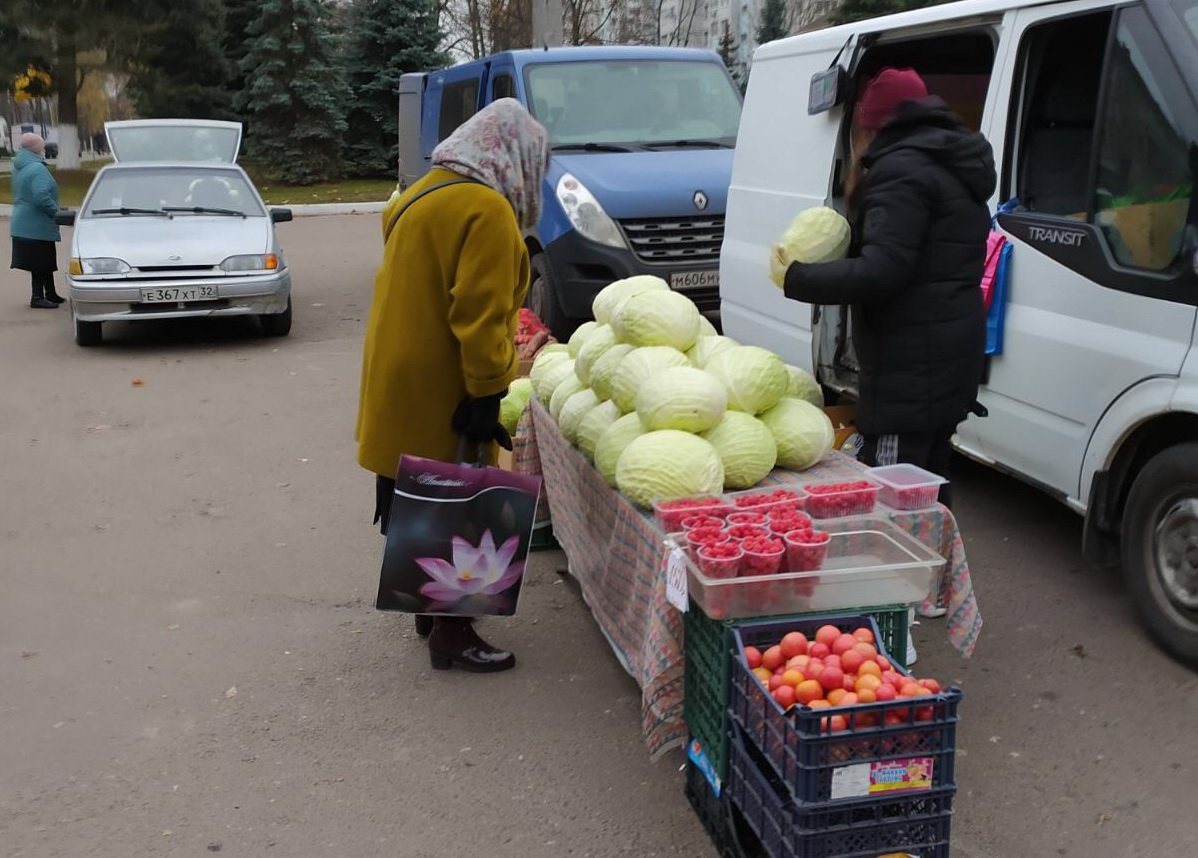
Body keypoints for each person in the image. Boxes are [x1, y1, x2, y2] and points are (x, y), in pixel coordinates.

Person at [356, 99, 550, 674]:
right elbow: (481, 313)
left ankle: (429, 607)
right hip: (446, 378)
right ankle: (453, 633)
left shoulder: (423, 191)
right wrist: (489, 388)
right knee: (461, 493)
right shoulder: (484, 209)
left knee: (418, 487)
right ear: (512, 157)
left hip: (399, 373)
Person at [772, 68, 996, 509]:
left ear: (870, 125)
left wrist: (797, 276)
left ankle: (907, 577)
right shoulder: (951, 163)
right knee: (930, 490)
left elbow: (883, 271)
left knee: (894, 501)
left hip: (910, 368)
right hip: (948, 358)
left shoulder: (901, 171)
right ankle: (939, 576)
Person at [9, 133, 63, 309]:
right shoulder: (37, 168)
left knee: (44, 260)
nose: (44, 149)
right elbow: (41, 197)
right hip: (36, 223)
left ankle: (51, 293)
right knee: (40, 262)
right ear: (36, 148)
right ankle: (37, 297)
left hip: (23, 222)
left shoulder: (19, 166)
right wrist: (56, 212)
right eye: (42, 146)